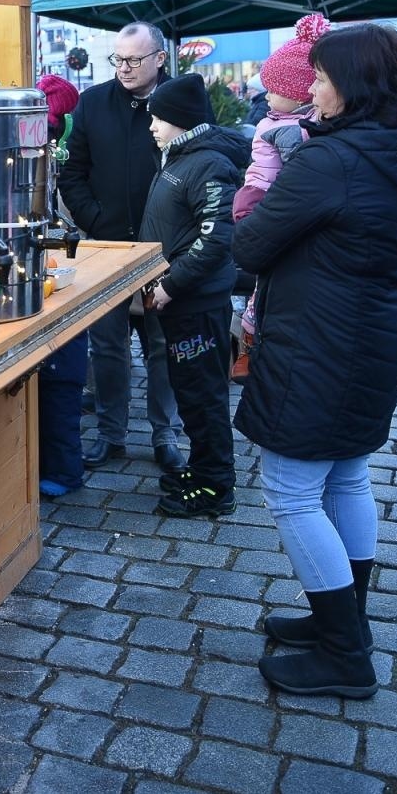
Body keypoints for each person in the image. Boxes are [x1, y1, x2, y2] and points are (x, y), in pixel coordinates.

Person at [234, 22, 397, 699]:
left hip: (316, 341)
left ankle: (345, 654)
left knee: (293, 492)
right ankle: (342, 622)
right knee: (347, 479)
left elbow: (251, 244)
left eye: (321, 77)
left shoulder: (331, 160)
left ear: (351, 85)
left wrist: (260, 182)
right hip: (373, 330)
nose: (312, 88)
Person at [58, 21, 186, 470]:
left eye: (134, 59)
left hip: (163, 247)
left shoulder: (179, 101)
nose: (125, 68)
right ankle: (111, 433)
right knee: (107, 345)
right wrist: (96, 220)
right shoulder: (95, 102)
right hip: (108, 245)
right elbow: (71, 172)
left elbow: (201, 165)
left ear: (159, 58)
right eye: (119, 59)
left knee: (160, 344)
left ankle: (163, 434)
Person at [139, 74, 245, 517]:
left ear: (181, 120)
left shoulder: (208, 163)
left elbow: (215, 238)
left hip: (196, 304)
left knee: (203, 397)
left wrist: (170, 283)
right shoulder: (179, 156)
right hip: (182, 303)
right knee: (191, 393)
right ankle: (203, 469)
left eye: (158, 117)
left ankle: (215, 487)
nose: (151, 125)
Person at [231, 13, 328, 380]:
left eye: (274, 90)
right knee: (262, 291)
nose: (267, 96)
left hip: (278, 210)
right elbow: (261, 172)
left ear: (300, 93)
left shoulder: (299, 128)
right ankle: (250, 345)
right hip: (264, 202)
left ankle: (251, 345)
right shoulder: (274, 125)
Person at [35, 72, 87, 499]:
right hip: (46, 267)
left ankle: (67, 470)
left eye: (53, 127)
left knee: (61, 384)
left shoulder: (70, 148)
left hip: (72, 264)